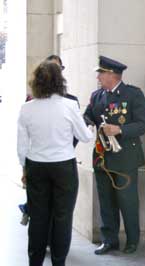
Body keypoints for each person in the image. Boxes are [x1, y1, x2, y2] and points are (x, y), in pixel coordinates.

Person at [17, 61, 92, 266]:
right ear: (61, 81)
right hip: (63, 167)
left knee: (38, 217)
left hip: (36, 166)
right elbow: (84, 137)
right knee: (62, 217)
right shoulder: (69, 106)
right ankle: (59, 262)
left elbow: (22, 145)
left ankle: (35, 262)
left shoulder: (27, 108)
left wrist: (25, 169)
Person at [84, 56, 145, 255]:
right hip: (103, 158)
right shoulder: (96, 96)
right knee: (106, 201)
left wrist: (119, 129)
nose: (98, 77)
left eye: (101, 73)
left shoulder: (133, 94)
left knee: (127, 201)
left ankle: (132, 240)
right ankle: (109, 240)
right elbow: (87, 116)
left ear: (112, 74)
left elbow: (142, 125)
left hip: (125, 158)